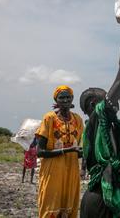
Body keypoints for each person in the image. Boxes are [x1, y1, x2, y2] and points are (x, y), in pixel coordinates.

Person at [78, 22, 120, 218]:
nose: (115, 99)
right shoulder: (96, 118)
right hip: (100, 199)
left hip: (114, 195)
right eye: (107, 96)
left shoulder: (114, 129)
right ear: (96, 102)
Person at [36, 85, 84, 218]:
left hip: (71, 170)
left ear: (72, 98)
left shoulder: (78, 120)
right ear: (56, 100)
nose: (65, 100)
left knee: (68, 207)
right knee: (50, 206)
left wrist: (85, 152)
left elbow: (76, 149)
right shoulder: (49, 118)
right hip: (52, 171)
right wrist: (67, 150)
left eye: (68, 97)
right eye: (61, 97)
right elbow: (39, 152)